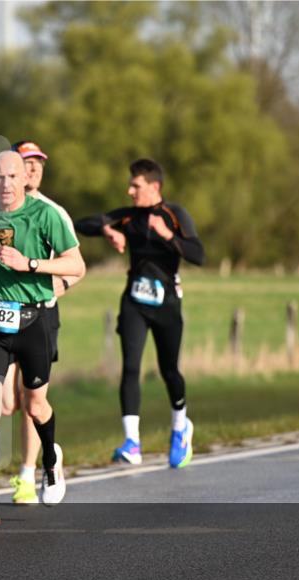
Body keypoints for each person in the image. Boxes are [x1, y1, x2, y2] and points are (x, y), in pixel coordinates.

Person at [0, 151, 85, 526]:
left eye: (12, 176)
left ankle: (51, 461)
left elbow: (77, 265)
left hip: (33, 322)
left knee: (35, 406)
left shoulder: (46, 215)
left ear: (25, 178)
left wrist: (30, 264)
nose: (5, 184)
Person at [75, 158, 204, 468]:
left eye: (136, 185)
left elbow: (199, 254)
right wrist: (108, 230)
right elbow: (81, 224)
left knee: (169, 369)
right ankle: (132, 443)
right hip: (134, 299)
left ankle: (180, 426)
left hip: (167, 302)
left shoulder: (175, 214)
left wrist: (168, 236)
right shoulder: (129, 216)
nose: (129, 190)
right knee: (130, 367)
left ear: (154, 186)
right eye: (130, 184)